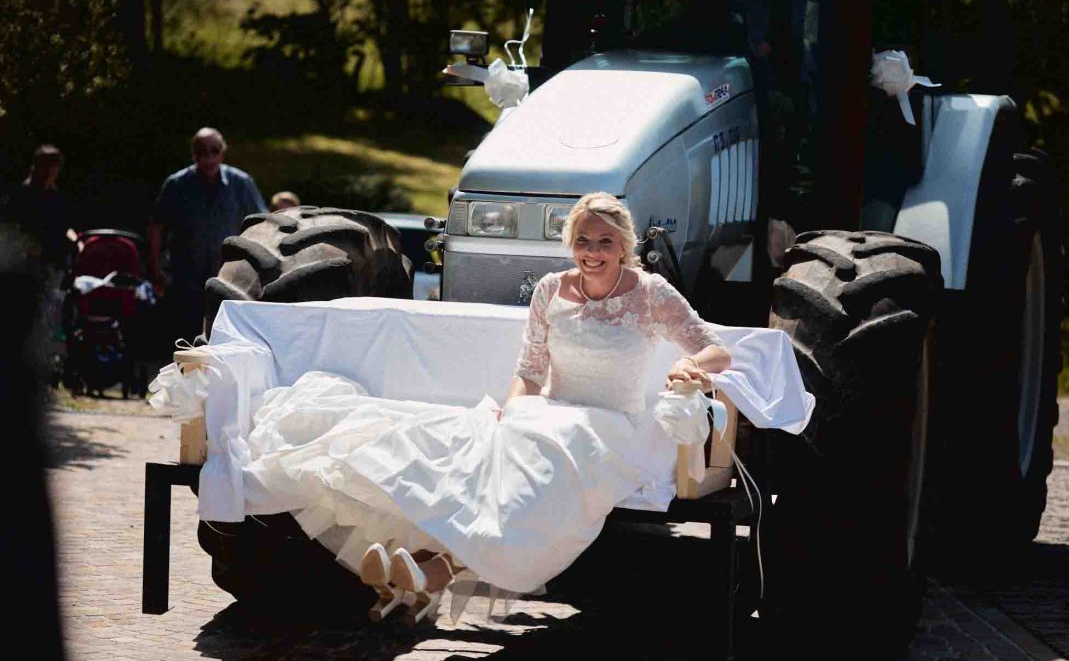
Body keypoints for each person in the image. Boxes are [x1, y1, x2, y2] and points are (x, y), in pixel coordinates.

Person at [242, 192, 731, 622]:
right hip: (549, 413)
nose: (592, 252)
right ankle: (429, 565)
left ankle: (436, 568)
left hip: (613, 425)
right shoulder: (551, 290)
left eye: (604, 242)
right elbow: (530, 371)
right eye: (583, 241)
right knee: (473, 448)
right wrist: (511, 411)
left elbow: (715, 349)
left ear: (623, 245)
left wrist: (689, 367)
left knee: (547, 457)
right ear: (570, 243)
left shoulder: (650, 294)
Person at [148, 128, 266, 341]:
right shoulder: (177, 184)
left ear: (223, 152)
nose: (209, 157)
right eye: (202, 151)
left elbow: (262, 224)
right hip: (186, 277)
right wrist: (155, 269)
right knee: (186, 341)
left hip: (230, 277)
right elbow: (157, 226)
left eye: (215, 151)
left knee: (225, 338)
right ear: (194, 154)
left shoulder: (241, 183)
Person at [2, 144, 75, 271]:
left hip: (52, 265)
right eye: (45, 167)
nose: (49, 173)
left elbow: (63, 225)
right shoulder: (18, 196)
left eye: (53, 169)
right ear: (35, 167)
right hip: (23, 267)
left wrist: (77, 240)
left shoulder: (55, 195)